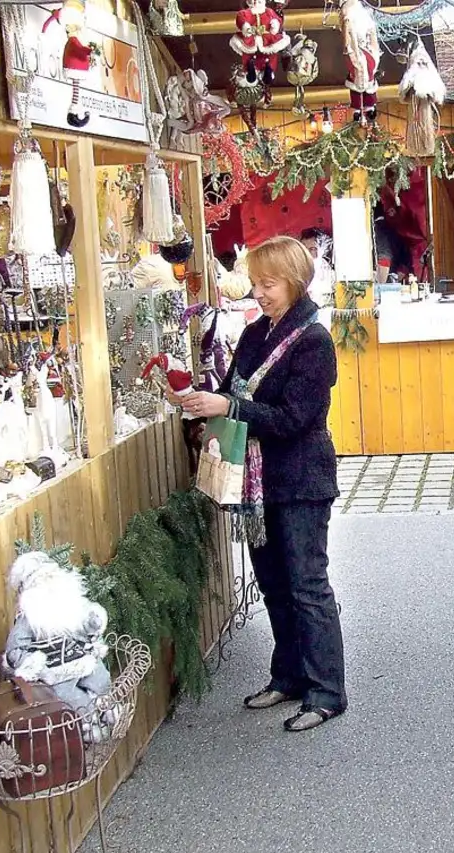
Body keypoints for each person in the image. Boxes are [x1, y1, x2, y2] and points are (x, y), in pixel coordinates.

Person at [177, 236, 346, 732]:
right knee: (273, 583)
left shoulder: (314, 342)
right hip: (257, 485)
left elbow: (295, 418)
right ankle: (288, 675)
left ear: (294, 282)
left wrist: (228, 408)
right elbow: (232, 390)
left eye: (267, 283)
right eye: (255, 283)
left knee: (307, 585)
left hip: (300, 480)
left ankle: (326, 691)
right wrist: (200, 403)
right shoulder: (255, 334)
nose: (258, 292)